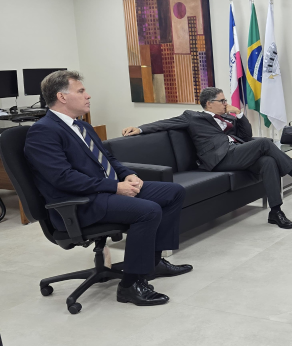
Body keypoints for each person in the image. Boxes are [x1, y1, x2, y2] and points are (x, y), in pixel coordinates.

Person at [25, 71, 192, 307]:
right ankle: (130, 286)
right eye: (81, 91)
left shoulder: (82, 126)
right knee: (149, 210)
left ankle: (153, 263)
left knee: (173, 192)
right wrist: (116, 187)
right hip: (80, 203)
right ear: (62, 97)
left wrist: (128, 175)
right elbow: (63, 178)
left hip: (103, 191)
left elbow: (109, 158)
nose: (88, 95)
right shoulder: (43, 131)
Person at [121, 87, 292, 230]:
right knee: (265, 143)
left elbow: (246, 137)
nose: (226, 103)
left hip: (235, 152)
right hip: (218, 159)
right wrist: (139, 128)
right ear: (209, 104)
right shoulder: (192, 117)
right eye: (222, 101)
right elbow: (165, 123)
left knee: (268, 161)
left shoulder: (227, 117)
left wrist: (238, 115)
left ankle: (276, 212)